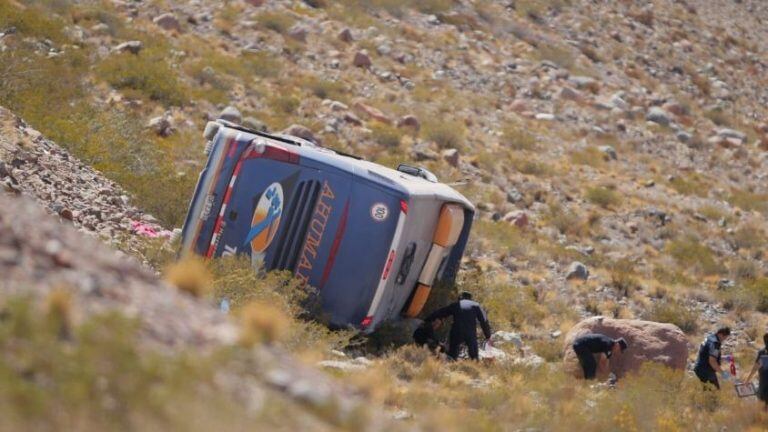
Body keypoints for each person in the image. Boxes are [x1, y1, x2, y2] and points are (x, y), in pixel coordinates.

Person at [425, 291, 491, 360]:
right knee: (474, 357)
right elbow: (484, 321)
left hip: (457, 331)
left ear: (460, 298)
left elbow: (441, 312)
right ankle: (474, 365)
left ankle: (451, 365)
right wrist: (488, 335)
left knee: (452, 355)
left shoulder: (456, 304)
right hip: (470, 333)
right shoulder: (476, 305)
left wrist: (427, 319)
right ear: (470, 298)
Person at [744, 332, 768, 409]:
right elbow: (755, 367)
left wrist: (747, 380)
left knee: (763, 408)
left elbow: (755, 368)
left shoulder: (762, 353)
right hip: (764, 386)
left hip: (763, 386)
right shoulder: (762, 353)